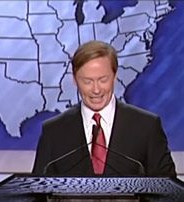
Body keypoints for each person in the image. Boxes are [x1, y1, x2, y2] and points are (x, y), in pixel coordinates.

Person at [32, 40, 176, 177]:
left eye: (103, 80)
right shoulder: (54, 131)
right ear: (75, 80)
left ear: (115, 76)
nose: (96, 90)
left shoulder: (146, 127)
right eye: (87, 81)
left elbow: (168, 194)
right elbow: (37, 195)